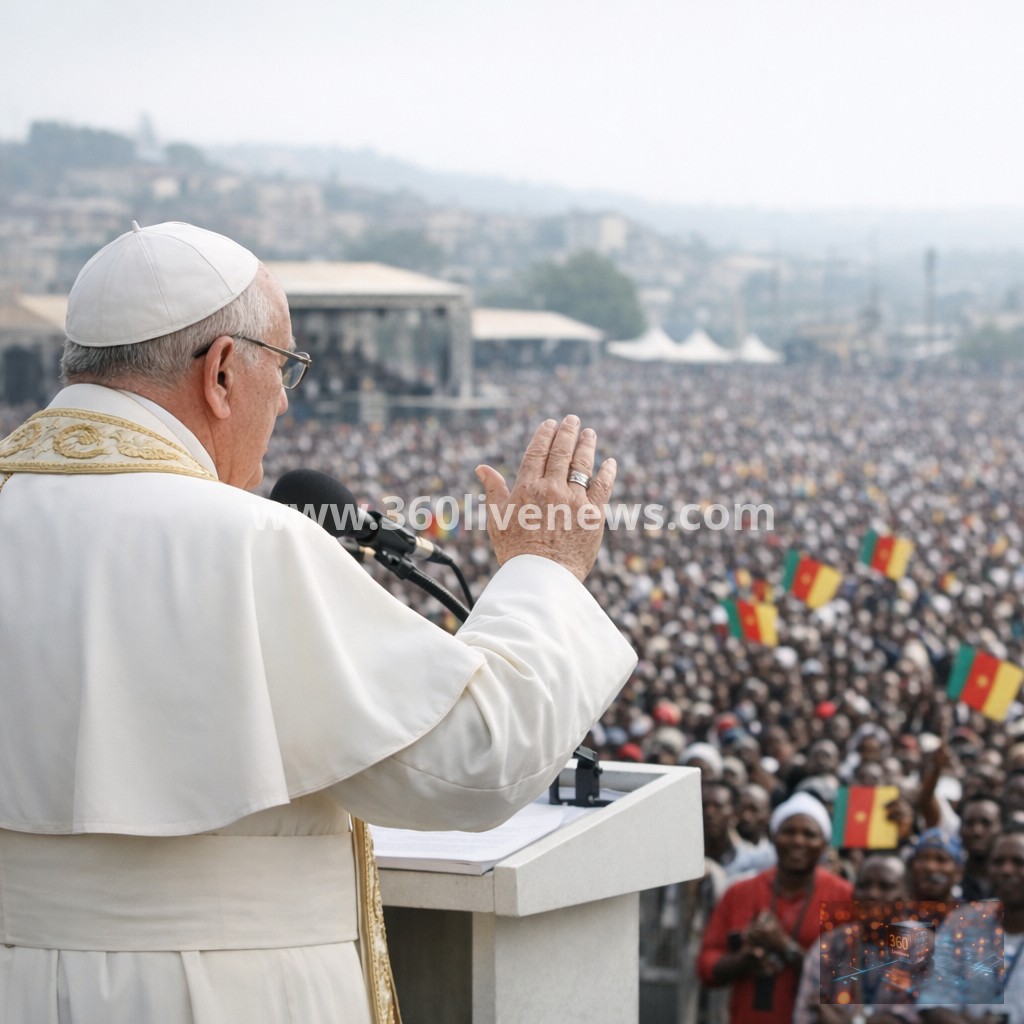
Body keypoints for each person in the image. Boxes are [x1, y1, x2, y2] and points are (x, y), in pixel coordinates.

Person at [0, 222, 637, 1023]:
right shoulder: (247, 541)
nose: (287, 399)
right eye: (285, 367)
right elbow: (475, 764)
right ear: (224, 372)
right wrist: (545, 566)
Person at [697, 792, 853, 1024]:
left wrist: (786, 948)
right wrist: (742, 960)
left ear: (823, 844)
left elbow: (849, 977)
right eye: (788, 832)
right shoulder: (739, 892)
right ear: (774, 837)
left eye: (809, 834)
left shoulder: (844, 896)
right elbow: (706, 964)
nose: (798, 841)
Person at [792, 853, 916, 1024]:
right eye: (864, 885)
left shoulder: (923, 947)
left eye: (885, 886)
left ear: (905, 897)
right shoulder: (830, 944)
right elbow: (807, 1013)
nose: (872, 893)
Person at [917, 827, 1024, 1023]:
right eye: (998, 862)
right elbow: (934, 1002)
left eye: (1019, 862)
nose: (1007, 870)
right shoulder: (963, 922)